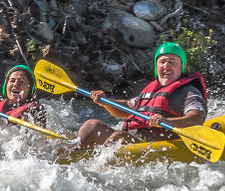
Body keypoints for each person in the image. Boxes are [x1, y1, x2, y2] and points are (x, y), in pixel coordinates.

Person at [77, 42, 207, 150]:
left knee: (119, 138)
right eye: (162, 62)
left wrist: (167, 122)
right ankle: (76, 156)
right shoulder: (152, 91)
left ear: (183, 66)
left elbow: (196, 118)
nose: (166, 66)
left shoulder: (188, 92)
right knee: (91, 125)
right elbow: (127, 107)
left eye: (172, 62)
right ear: (157, 66)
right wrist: (105, 102)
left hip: (156, 147)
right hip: (133, 139)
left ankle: (95, 167)